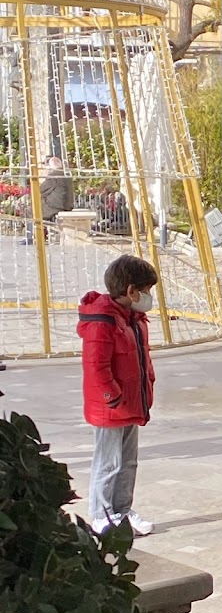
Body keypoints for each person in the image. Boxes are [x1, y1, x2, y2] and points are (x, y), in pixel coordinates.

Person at [77, 254, 157, 536]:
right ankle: (101, 514)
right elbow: (96, 366)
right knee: (108, 462)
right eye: (147, 291)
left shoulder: (134, 319)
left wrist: (148, 384)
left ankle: (122, 510)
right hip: (110, 407)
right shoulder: (103, 322)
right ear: (132, 291)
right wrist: (112, 396)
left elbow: (141, 358)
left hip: (132, 403)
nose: (149, 297)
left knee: (128, 461)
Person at [21, 155, 75, 245]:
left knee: (30, 211)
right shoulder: (65, 173)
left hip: (56, 205)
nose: (46, 168)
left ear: (51, 166)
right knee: (37, 208)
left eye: (47, 165)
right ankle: (41, 235)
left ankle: (30, 238)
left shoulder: (54, 175)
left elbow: (41, 190)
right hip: (66, 204)